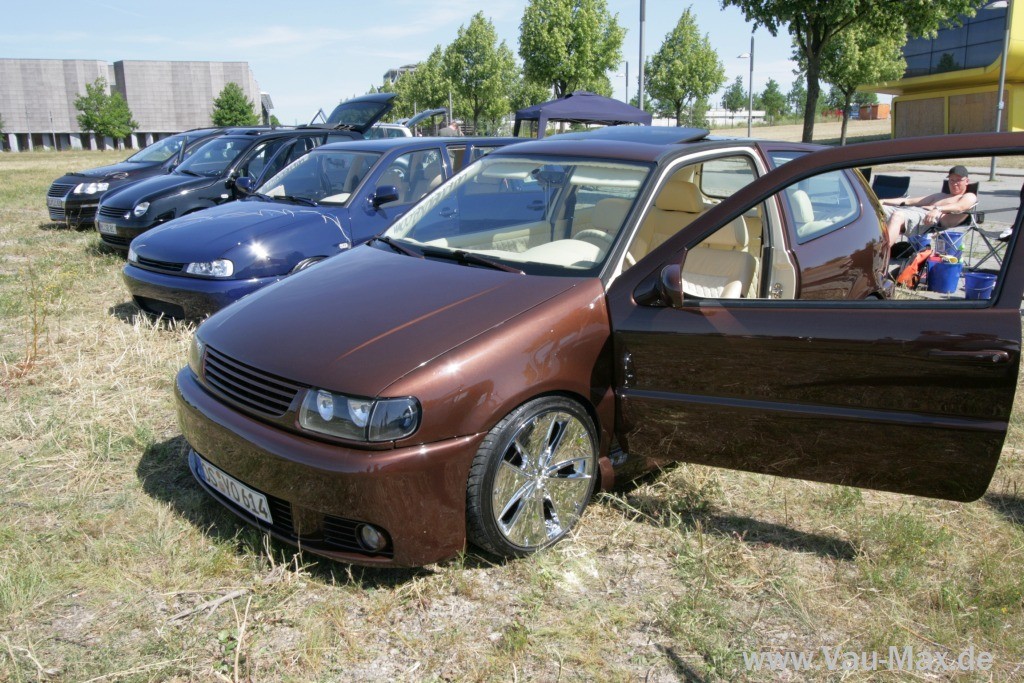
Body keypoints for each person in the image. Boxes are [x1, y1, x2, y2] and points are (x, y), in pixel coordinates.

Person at [880, 165, 977, 245]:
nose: (954, 184)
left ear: (967, 181)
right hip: (910, 210)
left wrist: (938, 209)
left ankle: (881, 254)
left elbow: (960, 207)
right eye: (952, 180)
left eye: (958, 180)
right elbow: (909, 201)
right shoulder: (940, 195)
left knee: (898, 216)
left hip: (926, 219)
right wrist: (883, 201)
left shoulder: (969, 196)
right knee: (877, 209)